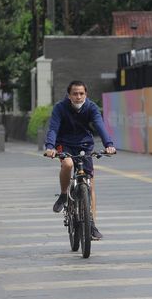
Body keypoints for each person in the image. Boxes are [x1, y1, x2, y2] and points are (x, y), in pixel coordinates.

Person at [44, 80, 116, 240]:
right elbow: (53, 128)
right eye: (75, 94)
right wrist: (50, 146)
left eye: (81, 93)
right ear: (69, 95)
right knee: (68, 164)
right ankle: (64, 195)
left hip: (85, 144)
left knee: (90, 185)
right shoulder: (60, 108)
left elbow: (100, 125)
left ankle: (91, 225)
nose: (78, 96)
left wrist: (109, 144)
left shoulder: (91, 107)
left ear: (86, 94)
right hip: (64, 144)